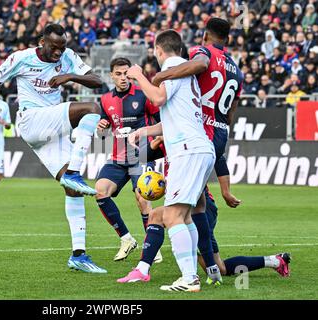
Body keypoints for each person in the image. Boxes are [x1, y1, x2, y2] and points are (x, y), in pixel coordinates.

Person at [0, 24, 107, 273]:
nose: (58, 53)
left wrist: (70, 76)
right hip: (32, 120)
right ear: (41, 41)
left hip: (52, 131)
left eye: (62, 48)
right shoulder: (21, 58)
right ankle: (74, 172)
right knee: (91, 109)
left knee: (72, 191)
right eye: (54, 47)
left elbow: (97, 80)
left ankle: (78, 255)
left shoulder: (67, 57)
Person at [118, 29, 216, 293]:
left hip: (188, 152)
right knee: (184, 216)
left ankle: (189, 278)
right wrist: (142, 131)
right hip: (200, 149)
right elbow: (171, 117)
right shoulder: (185, 73)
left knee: (171, 214)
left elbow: (158, 98)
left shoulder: (173, 67)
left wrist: (139, 76)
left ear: (158, 50)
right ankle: (196, 273)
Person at [150, 17, 245, 286]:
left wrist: (162, 75)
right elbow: (233, 106)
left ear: (205, 35)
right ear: (228, 38)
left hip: (196, 132)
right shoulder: (236, 70)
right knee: (199, 204)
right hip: (219, 133)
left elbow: (200, 65)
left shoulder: (200, 52)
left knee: (181, 211)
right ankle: (211, 267)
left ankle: (196, 271)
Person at [95, 57, 162, 263]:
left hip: (141, 155)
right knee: (99, 191)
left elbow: (161, 122)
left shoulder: (143, 95)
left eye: (126, 73)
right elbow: (103, 133)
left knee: (143, 198)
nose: (123, 78)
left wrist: (155, 145)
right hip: (117, 158)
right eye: (118, 74)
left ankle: (153, 246)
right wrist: (101, 129)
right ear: (111, 75)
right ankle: (126, 239)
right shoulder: (105, 99)